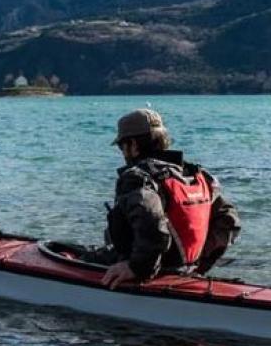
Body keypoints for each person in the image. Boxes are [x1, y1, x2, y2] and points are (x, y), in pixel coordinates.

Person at [88, 108, 241, 289]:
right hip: (186, 269)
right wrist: (200, 264)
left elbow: (152, 223)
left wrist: (136, 268)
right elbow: (229, 220)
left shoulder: (136, 178)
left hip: (146, 271)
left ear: (134, 145)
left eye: (122, 146)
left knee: (81, 257)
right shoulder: (197, 177)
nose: (122, 152)